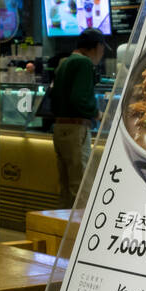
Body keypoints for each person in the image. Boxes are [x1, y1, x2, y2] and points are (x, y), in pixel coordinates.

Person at [48, 29, 107, 206]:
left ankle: (62, 228)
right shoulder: (83, 63)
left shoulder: (64, 63)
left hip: (59, 128)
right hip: (75, 128)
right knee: (81, 186)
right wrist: (98, 114)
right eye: (102, 49)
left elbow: (53, 96)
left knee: (66, 186)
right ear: (96, 47)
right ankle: (78, 231)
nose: (102, 54)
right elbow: (80, 98)